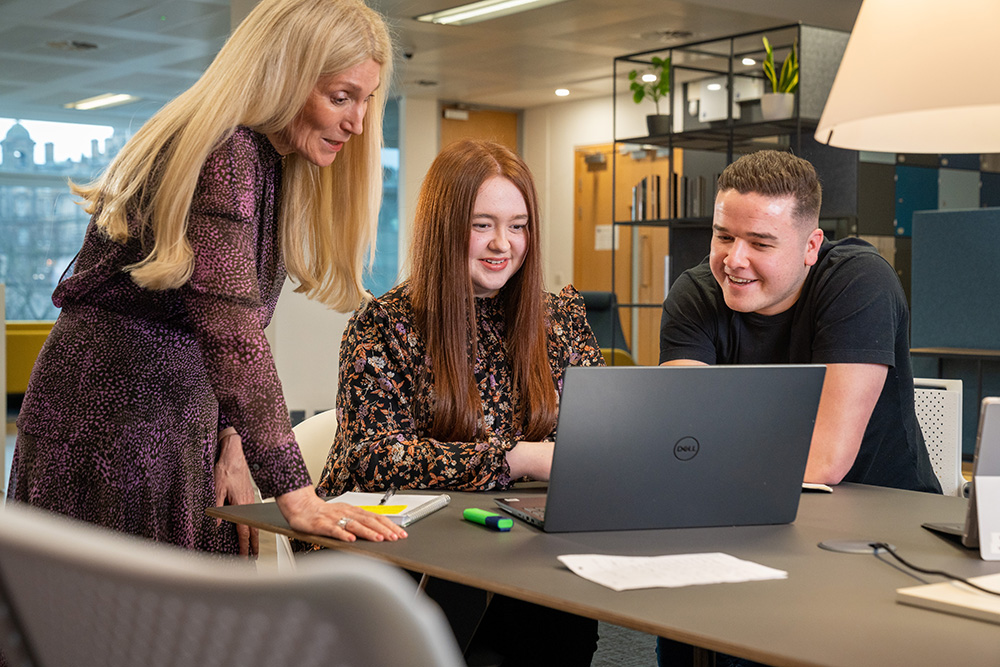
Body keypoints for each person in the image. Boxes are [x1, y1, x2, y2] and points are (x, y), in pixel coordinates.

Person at [8, 0, 407, 556]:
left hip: (175, 417)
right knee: (119, 629)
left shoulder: (268, 160)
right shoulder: (228, 151)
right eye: (341, 98)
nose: (358, 123)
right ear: (282, 78)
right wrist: (296, 493)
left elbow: (219, 322)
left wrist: (233, 440)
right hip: (111, 424)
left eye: (365, 101)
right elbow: (231, 335)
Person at [316, 139, 603, 665]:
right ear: (443, 226)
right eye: (482, 224)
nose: (503, 244)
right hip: (400, 547)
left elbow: (598, 433)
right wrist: (515, 458)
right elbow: (376, 459)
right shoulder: (385, 325)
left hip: (516, 540)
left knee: (561, 619)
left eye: (518, 226)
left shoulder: (558, 318)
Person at [659, 150, 940, 493]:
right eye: (724, 237)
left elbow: (825, 461)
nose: (733, 260)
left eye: (760, 243)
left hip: (886, 511)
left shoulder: (859, 281)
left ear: (811, 246)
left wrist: (706, 453)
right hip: (747, 500)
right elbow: (683, 437)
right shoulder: (695, 293)